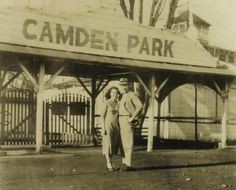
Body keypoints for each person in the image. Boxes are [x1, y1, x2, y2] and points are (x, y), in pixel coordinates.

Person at [119, 78, 143, 171]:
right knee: (122, 143)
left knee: (128, 142)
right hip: (120, 120)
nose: (124, 87)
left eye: (125, 85)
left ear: (129, 85)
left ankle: (128, 164)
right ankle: (124, 163)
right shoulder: (121, 96)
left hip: (126, 119)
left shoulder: (131, 95)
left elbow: (140, 106)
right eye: (122, 85)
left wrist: (132, 118)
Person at [101, 86, 121, 171]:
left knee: (113, 145)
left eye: (116, 93)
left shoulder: (119, 103)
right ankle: (108, 163)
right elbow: (102, 115)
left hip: (116, 126)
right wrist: (103, 127)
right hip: (108, 125)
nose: (115, 94)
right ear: (110, 93)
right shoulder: (106, 102)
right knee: (107, 144)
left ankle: (112, 161)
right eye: (113, 93)